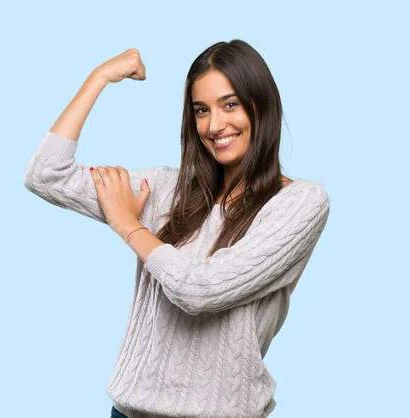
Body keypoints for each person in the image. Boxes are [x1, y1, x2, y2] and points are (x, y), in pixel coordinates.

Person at [23, 40, 330, 418]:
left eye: (229, 104)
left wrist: (129, 226)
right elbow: (45, 175)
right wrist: (98, 77)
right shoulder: (167, 190)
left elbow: (201, 290)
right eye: (202, 110)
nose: (215, 125)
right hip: (129, 412)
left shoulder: (299, 202)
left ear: (261, 105)